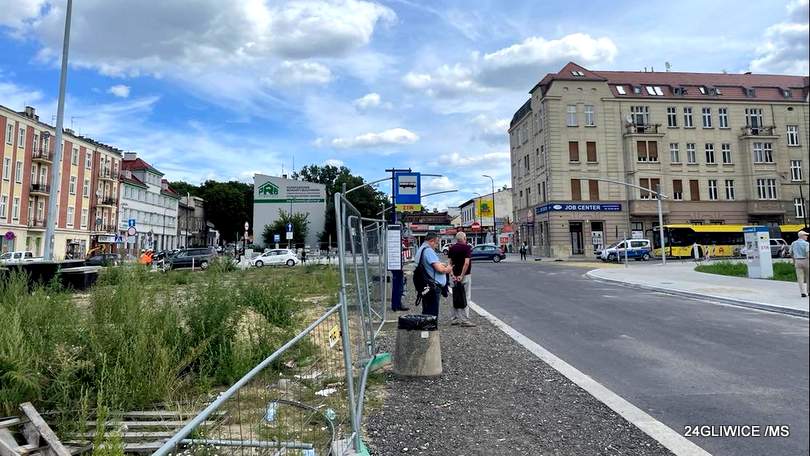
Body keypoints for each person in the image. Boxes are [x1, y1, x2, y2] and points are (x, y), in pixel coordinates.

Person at [414, 232, 453, 318]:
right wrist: (448, 269)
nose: (436, 246)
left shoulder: (421, 249)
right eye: (436, 243)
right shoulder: (428, 251)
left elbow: (428, 264)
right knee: (432, 312)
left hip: (426, 285)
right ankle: (430, 325)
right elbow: (439, 269)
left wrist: (441, 264)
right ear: (431, 241)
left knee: (427, 309)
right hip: (432, 286)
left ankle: (426, 323)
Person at [448, 232, 475, 327]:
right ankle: (465, 320)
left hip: (454, 276)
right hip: (465, 276)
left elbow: (449, 263)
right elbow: (466, 263)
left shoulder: (452, 248)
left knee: (454, 296)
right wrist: (462, 275)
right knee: (466, 297)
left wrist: (452, 274)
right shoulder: (466, 248)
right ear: (464, 238)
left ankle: (454, 318)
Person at [790, 230, 809, 298]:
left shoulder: (793, 243)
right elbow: (808, 253)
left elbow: (791, 253)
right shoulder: (806, 244)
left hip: (797, 261)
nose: (807, 236)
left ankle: (802, 292)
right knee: (808, 277)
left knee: (800, 278)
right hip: (806, 261)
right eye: (806, 235)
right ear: (802, 236)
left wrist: (794, 260)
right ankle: (808, 291)